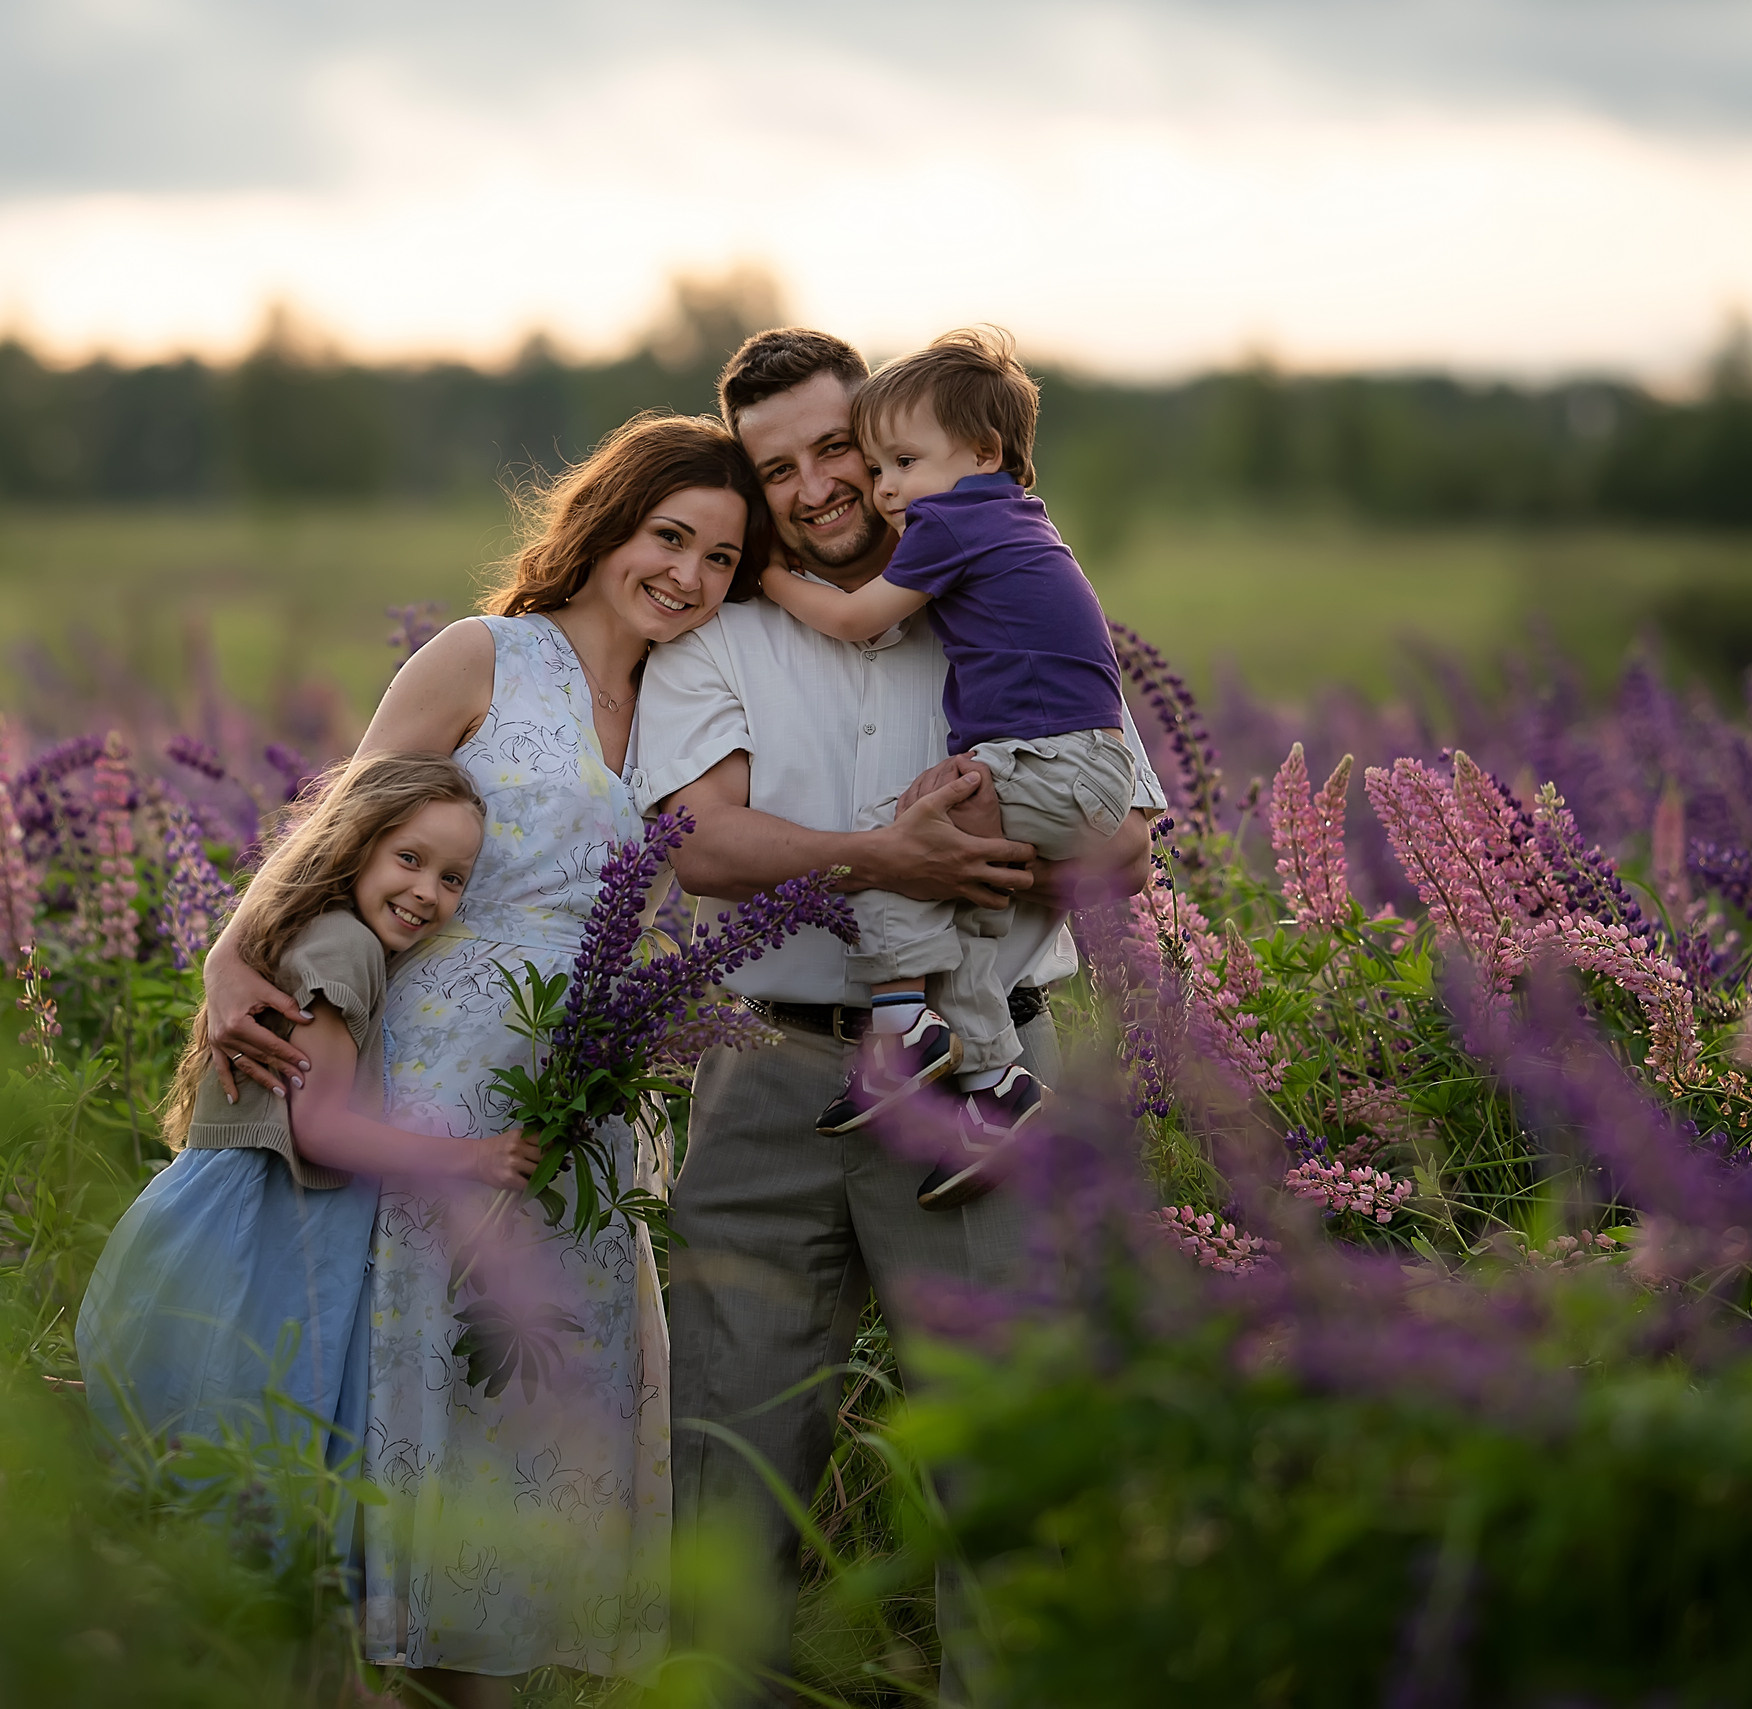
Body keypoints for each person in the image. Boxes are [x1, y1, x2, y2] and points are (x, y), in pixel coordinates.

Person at [201, 412, 774, 1706]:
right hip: (438, 1083)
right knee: (433, 1401)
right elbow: (348, 826)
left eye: (720, 559)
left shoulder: (692, 704)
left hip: (583, 1105)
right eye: (667, 535)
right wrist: (232, 956)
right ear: (608, 521)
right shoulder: (484, 657)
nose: (685, 575)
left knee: (542, 1407)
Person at [629, 327, 1164, 1702]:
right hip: (767, 1078)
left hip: (989, 1074)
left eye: (836, 448)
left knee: (1002, 1459)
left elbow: (1126, 849)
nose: (816, 486)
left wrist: (976, 867)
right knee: (730, 1456)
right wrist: (887, 859)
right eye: (778, 466)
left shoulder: (1015, 587)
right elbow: (704, 847)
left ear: (882, 436)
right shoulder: (725, 635)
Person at [76, 750, 538, 1495]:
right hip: (261, 1235)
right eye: (409, 859)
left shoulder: (331, 933)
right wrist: (473, 1158)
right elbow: (318, 1127)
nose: (427, 892)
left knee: (207, 1468)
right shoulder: (344, 946)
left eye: (452, 878)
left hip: (241, 1224)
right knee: (248, 1466)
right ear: (359, 844)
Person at [757, 327, 1135, 1208]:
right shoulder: (1019, 522)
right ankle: (997, 1085)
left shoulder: (954, 518)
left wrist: (772, 578)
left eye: (901, 462)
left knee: (905, 836)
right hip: (1078, 766)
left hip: (1052, 762)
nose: (886, 489)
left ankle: (900, 1030)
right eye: (879, 467)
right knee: (968, 915)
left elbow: (860, 620)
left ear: (985, 453)